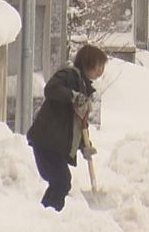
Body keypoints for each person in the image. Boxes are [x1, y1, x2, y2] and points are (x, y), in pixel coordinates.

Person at [26, 44, 107, 211]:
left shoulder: (84, 87)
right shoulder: (69, 76)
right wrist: (72, 96)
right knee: (61, 181)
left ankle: (46, 214)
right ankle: (47, 215)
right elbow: (51, 89)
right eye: (99, 64)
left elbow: (79, 122)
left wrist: (85, 146)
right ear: (88, 62)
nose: (101, 70)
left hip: (55, 145)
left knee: (61, 182)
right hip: (47, 141)